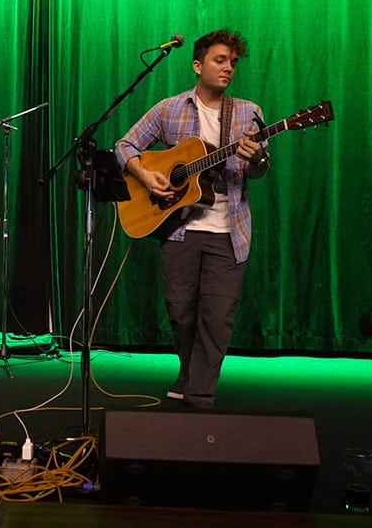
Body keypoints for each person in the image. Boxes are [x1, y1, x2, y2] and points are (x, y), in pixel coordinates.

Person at [115, 29, 270, 409]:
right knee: (182, 314)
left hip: (229, 231)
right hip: (180, 230)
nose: (228, 68)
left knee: (217, 318)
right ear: (197, 65)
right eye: (220, 61)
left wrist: (256, 159)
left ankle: (200, 395)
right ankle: (188, 374)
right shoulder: (170, 108)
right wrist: (145, 175)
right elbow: (125, 145)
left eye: (233, 63)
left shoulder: (249, 113)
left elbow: (261, 169)